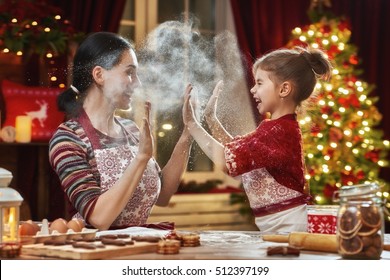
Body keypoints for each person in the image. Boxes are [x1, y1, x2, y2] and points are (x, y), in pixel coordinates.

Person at [49, 32, 193, 230]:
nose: (137, 83)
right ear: (99, 75)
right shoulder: (68, 139)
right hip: (95, 252)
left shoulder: (130, 129)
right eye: (129, 73)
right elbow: (99, 218)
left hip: (139, 247)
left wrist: (187, 134)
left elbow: (163, 194)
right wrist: (141, 158)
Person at [183, 47, 332, 233]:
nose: (253, 89)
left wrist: (193, 124)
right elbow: (236, 152)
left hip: (290, 225)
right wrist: (211, 119)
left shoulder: (278, 132)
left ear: (284, 89)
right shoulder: (273, 128)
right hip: (278, 223)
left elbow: (226, 161)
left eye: (260, 83)